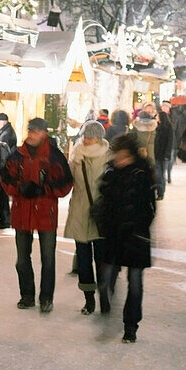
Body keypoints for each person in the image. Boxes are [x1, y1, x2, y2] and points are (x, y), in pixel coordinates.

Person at [0, 117, 73, 313]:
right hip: (22, 212)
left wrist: (44, 189)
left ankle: (46, 298)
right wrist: (19, 187)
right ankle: (27, 295)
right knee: (22, 259)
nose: (30, 134)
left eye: (35, 131)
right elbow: (4, 177)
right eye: (29, 130)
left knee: (48, 259)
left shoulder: (55, 157)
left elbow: (66, 183)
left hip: (45, 214)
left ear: (44, 133)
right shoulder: (17, 155)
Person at [91, 133, 156, 343]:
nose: (119, 160)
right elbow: (103, 199)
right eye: (117, 156)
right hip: (113, 234)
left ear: (132, 155)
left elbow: (150, 207)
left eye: (123, 156)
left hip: (136, 235)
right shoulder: (111, 172)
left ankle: (131, 325)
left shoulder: (142, 172)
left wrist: (137, 224)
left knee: (135, 283)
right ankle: (108, 305)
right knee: (106, 277)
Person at [64, 120, 110, 314]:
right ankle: (89, 299)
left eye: (90, 136)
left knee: (102, 258)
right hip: (80, 211)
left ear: (99, 138)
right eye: (84, 135)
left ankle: (105, 298)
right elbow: (69, 181)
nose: (86, 139)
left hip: (100, 214)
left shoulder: (109, 156)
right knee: (83, 260)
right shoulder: (76, 155)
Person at [0, 112, 17, 229]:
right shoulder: (6, 131)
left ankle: (5, 219)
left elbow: (1, 151)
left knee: (2, 194)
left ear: (2, 122)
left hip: (3, 168)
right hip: (3, 167)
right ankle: (5, 219)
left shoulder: (6, 134)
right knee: (1, 195)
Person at [155, 102, 176, 197]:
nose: (156, 118)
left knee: (160, 174)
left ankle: (161, 192)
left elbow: (170, 142)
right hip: (156, 153)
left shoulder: (168, 128)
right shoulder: (156, 127)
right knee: (158, 173)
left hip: (163, 154)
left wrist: (167, 154)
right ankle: (159, 191)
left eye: (157, 116)